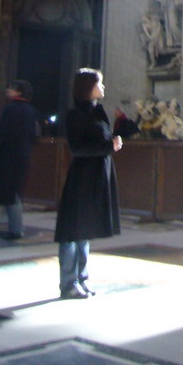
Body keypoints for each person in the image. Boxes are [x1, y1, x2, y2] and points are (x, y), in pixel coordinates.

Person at [54, 68, 122, 299]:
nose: (103, 87)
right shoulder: (76, 115)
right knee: (72, 231)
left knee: (86, 230)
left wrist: (114, 141)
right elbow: (78, 148)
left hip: (97, 176)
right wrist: (107, 147)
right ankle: (68, 283)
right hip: (82, 177)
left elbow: (101, 141)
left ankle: (82, 279)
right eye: (99, 83)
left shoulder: (97, 112)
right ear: (87, 87)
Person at [0, 80, 40, 240]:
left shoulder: (9, 109)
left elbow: (2, 133)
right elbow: (35, 135)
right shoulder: (31, 111)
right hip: (23, 156)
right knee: (12, 191)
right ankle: (3, 222)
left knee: (11, 194)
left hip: (7, 157)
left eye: (12, 89)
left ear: (18, 92)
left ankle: (15, 229)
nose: (8, 91)